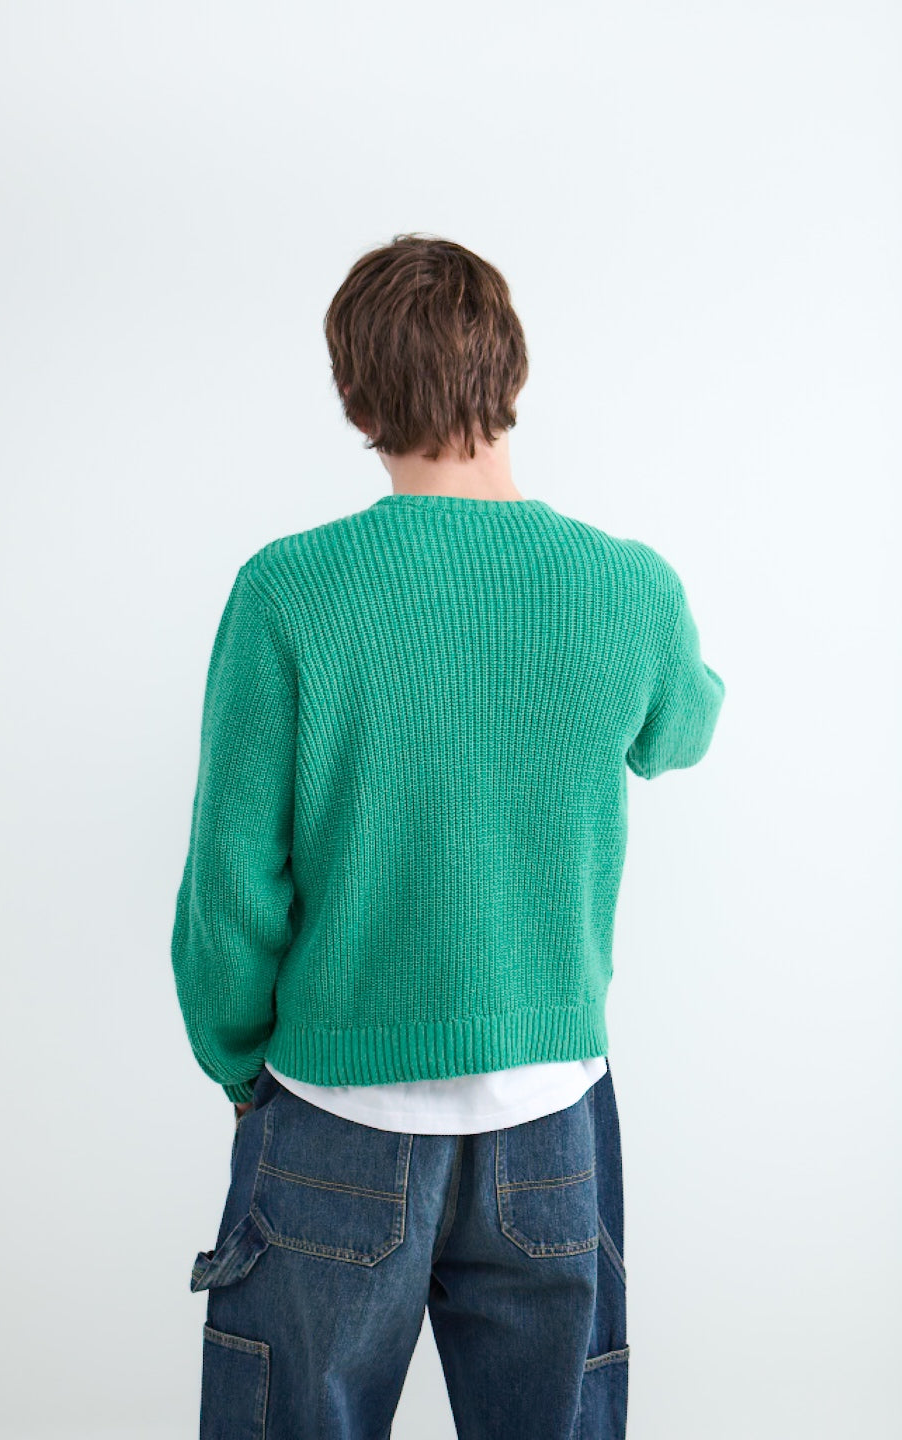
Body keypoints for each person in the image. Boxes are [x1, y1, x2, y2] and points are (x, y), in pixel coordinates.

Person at [171, 232, 726, 1438]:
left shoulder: (288, 591)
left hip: (332, 1108)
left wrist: (239, 1067)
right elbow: (682, 728)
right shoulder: (628, 587)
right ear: (513, 371)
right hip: (552, 1112)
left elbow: (230, 885)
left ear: (356, 400)